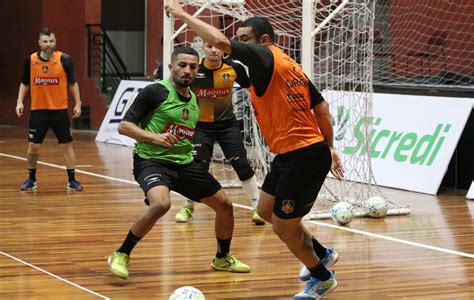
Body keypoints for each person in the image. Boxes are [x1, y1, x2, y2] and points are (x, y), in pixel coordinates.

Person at [165, 2, 345, 298]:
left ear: (263, 41)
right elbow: (321, 108)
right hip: (293, 153)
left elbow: (223, 44)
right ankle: (323, 254)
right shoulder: (287, 66)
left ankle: (322, 277)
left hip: (304, 156)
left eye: (244, 38)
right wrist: (329, 146)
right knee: (264, 211)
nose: (239, 44)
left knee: (284, 228)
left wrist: (183, 15)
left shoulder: (264, 55)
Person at [107, 47, 251, 280]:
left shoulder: (193, 98)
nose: (188, 70)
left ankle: (222, 258)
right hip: (151, 160)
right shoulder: (155, 92)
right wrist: (155, 137)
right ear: (171, 67)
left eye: (193, 66)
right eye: (182, 65)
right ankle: (121, 253)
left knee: (225, 206)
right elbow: (124, 126)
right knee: (161, 205)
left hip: (184, 163)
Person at [175, 41, 265, 226]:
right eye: (209, 46)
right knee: (197, 168)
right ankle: (188, 206)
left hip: (227, 125)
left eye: (217, 47)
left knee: (241, 164)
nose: (214, 50)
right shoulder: (194, 68)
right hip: (200, 126)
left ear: (224, 49)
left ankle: (257, 208)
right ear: (203, 49)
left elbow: (253, 89)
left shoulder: (234, 68)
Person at [15, 28, 83, 191]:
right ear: (39, 43)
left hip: (59, 111)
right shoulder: (30, 60)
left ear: (55, 41)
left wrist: (78, 103)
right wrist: (19, 102)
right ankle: (31, 179)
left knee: (66, 145)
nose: (48, 44)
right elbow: (25, 83)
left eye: (51, 41)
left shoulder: (65, 60)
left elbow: (73, 83)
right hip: (38, 111)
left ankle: (72, 180)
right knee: (33, 146)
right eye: (45, 41)